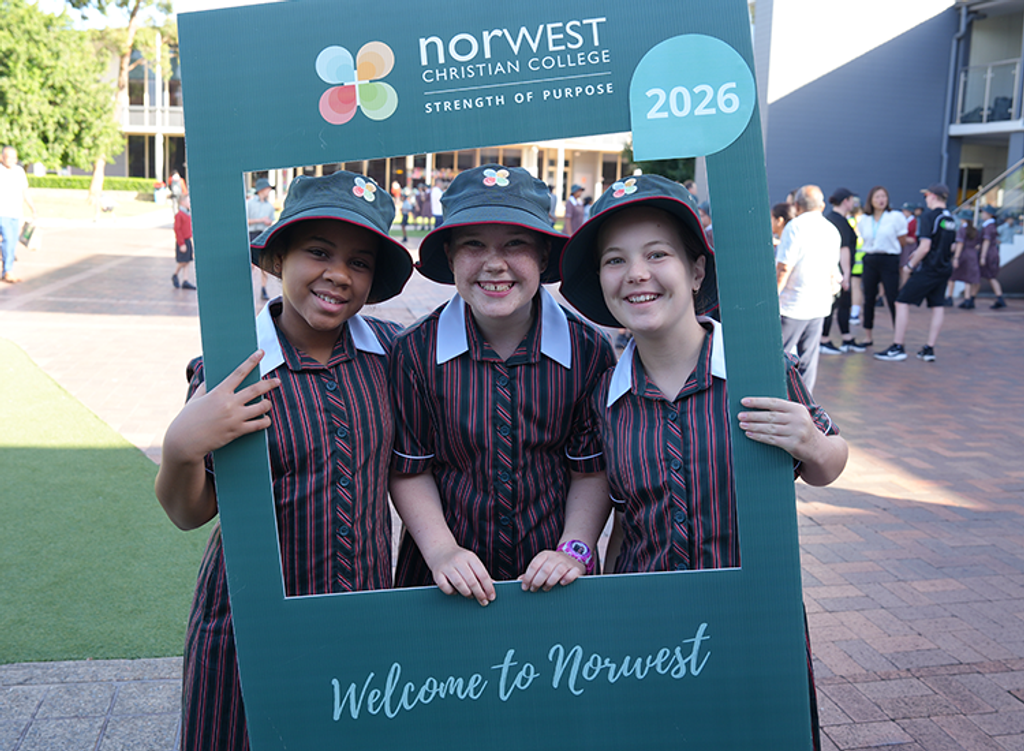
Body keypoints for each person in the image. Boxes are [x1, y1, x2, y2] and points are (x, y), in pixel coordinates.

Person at [558, 173, 847, 751]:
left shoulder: (756, 367)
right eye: (615, 260)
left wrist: (812, 443)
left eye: (656, 254)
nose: (636, 273)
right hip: (647, 634)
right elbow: (616, 510)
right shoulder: (604, 394)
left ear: (695, 271)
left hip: (755, 622)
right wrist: (580, 558)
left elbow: (830, 463)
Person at [155, 170, 413, 751]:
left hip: (361, 616)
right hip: (247, 624)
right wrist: (180, 447)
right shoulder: (232, 368)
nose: (339, 274)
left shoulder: (393, 355)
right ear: (278, 259)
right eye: (318, 252)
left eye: (360, 262)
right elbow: (189, 512)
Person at [389, 164, 616, 606]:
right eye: (473, 244)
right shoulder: (414, 351)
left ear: (544, 257)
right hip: (442, 581)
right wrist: (442, 550)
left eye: (516, 244)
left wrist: (574, 549)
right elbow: (411, 468)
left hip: (554, 579)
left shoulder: (588, 350)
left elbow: (589, 469)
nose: (495, 263)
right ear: (450, 256)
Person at [875, 183, 958, 362]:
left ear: (933, 196)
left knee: (901, 301)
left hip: (929, 268)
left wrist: (910, 265)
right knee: (937, 305)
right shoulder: (950, 219)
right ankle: (929, 348)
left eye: (927, 196)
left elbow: (925, 246)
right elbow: (951, 245)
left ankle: (898, 345)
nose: (926, 199)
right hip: (944, 268)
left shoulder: (929, 217)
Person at [775, 185, 842, 393]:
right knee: (808, 361)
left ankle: (774, 400)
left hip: (793, 304)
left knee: (778, 357)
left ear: (796, 205)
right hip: (819, 303)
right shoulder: (831, 229)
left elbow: (784, 267)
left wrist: (772, 298)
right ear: (822, 206)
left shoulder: (795, 226)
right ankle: (805, 403)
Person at [856, 185, 908, 349]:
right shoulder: (864, 219)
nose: (881, 200)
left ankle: (898, 339)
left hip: (889, 259)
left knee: (892, 297)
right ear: (871, 200)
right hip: (870, 258)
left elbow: (902, 239)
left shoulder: (895, 216)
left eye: (884, 196)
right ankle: (868, 336)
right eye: (877, 197)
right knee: (869, 298)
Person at [821, 188, 864, 354]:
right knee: (833, 305)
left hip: (834, 270)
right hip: (838, 271)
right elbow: (844, 249)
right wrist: (846, 274)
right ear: (846, 201)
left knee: (843, 304)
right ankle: (824, 340)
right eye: (852, 200)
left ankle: (846, 337)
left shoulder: (831, 218)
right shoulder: (839, 221)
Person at [0, 146, 37, 284]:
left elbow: (24, 191)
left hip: (16, 213)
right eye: (8, 157)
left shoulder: (19, 171)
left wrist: (33, 208)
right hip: (2, 213)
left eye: (14, 158)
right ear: (2, 157)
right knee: (8, 240)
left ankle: (6, 269)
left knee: (13, 241)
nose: (12, 160)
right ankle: (8, 271)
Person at [246, 178, 275, 300]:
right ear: (262, 190)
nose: (269, 191)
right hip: (251, 234)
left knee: (265, 263)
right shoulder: (249, 204)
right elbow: (245, 221)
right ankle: (246, 288)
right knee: (249, 265)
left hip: (263, 235)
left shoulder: (270, 206)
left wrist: (268, 222)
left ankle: (263, 289)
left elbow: (271, 221)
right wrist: (261, 220)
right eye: (268, 188)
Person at [947, 211, 980, 308]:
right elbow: (978, 245)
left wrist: (956, 257)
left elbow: (960, 244)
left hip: (963, 254)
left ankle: (949, 297)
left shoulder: (962, 229)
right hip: (972, 254)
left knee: (952, 276)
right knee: (968, 278)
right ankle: (967, 299)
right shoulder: (974, 230)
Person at [978, 205, 1007, 309]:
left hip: (989, 254)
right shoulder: (990, 225)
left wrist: (983, 256)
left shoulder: (989, 226)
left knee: (990, 277)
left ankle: (1000, 299)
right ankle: (971, 298)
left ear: (989, 214)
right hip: (991, 253)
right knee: (986, 277)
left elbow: (986, 241)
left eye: (984, 212)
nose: (982, 214)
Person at [172, 193, 197, 291]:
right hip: (182, 241)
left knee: (187, 261)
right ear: (182, 202)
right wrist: (181, 243)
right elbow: (177, 229)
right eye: (188, 201)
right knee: (182, 261)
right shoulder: (179, 215)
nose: (190, 203)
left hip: (187, 240)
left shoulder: (188, 214)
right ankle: (175, 274)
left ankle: (185, 280)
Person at [899, 202, 919, 288]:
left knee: (905, 265)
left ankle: (904, 286)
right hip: (904, 244)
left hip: (909, 246)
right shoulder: (906, 220)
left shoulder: (913, 221)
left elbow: (908, 233)